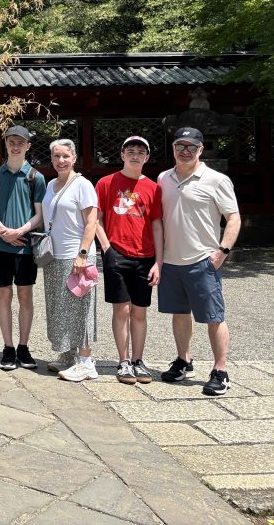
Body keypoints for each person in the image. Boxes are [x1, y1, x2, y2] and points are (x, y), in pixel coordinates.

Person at [157, 127, 241, 396]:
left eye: (191, 147)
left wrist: (222, 251)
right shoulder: (163, 178)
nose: (185, 151)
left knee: (214, 316)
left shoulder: (216, 180)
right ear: (173, 149)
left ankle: (220, 370)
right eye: (180, 146)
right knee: (179, 313)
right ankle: (184, 360)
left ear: (200, 150)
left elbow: (234, 217)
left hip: (202, 259)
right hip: (171, 259)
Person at [94, 135, 163, 385]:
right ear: (122, 155)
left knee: (140, 311)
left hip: (145, 255)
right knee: (121, 309)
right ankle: (123, 361)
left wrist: (159, 261)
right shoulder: (105, 183)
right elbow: (96, 218)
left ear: (147, 157)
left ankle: (138, 360)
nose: (135, 155)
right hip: (117, 252)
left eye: (140, 151)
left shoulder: (154, 188)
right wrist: (106, 249)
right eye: (130, 150)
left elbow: (156, 225)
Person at [0, 125, 45, 371]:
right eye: (11, 142)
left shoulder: (36, 177)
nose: (15, 146)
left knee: (25, 296)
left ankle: (24, 346)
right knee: (4, 295)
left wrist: (18, 232)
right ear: (5, 144)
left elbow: (39, 215)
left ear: (28, 146)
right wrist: (2, 230)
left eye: (21, 142)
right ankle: (8, 347)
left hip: (25, 247)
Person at [39, 140, 100, 382]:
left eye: (65, 156)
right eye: (56, 156)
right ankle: (68, 355)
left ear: (74, 158)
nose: (61, 160)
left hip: (77, 255)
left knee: (81, 308)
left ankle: (86, 362)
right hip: (55, 255)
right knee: (60, 308)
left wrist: (82, 254)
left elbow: (91, 222)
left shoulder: (83, 185)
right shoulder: (51, 184)